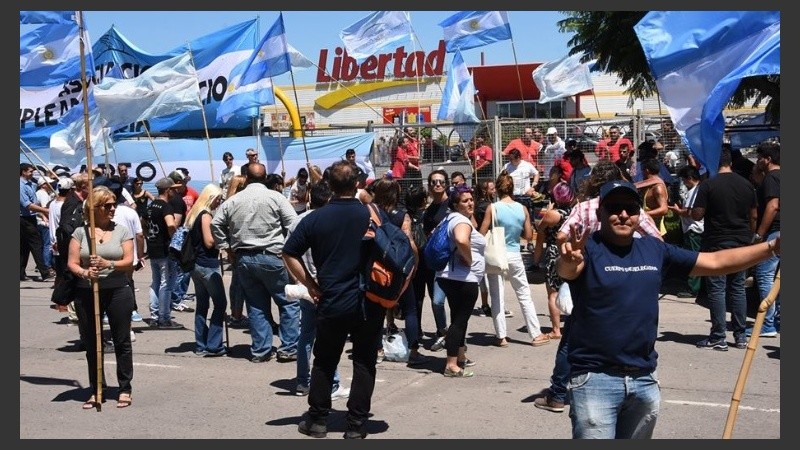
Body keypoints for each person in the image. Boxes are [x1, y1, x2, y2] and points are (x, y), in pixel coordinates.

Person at [557, 179, 779, 439]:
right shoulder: (587, 249)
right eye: (614, 208)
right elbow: (568, 270)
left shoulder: (654, 249)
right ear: (599, 213)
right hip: (595, 380)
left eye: (631, 207)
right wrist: (568, 260)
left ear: (640, 214)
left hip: (644, 379)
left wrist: (772, 248)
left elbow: (717, 261)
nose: (623, 214)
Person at [283, 161, 385, 439]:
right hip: (369, 300)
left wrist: (311, 285)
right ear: (356, 184)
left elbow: (288, 253)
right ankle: (356, 425)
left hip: (332, 299)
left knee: (325, 360)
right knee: (364, 362)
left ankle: (317, 420)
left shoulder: (315, 218)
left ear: (328, 185)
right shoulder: (372, 214)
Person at [211, 162, 299, 363]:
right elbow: (294, 224)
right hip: (272, 255)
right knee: (287, 303)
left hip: (244, 258)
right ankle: (288, 348)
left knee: (256, 305)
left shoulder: (234, 200)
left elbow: (216, 223)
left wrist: (227, 247)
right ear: (266, 177)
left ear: (246, 178)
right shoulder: (275, 197)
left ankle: (261, 350)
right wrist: (287, 249)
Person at [67, 186, 136, 410]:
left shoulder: (122, 231)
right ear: (94, 208)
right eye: (107, 205)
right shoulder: (81, 232)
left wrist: (109, 264)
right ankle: (97, 388)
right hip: (87, 290)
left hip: (117, 288)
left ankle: (125, 388)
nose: (113, 208)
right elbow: (72, 262)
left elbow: (130, 260)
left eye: (114, 204)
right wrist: (85, 272)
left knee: (121, 340)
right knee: (92, 343)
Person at [287, 181, 351, 400]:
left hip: (306, 285)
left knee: (306, 335)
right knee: (327, 338)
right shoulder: (326, 221)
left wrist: (302, 281)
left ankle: (303, 381)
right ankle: (331, 384)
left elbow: (288, 253)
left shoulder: (298, 221)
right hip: (323, 285)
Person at [691, 147, 757, 351]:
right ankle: (740, 336)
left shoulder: (708, 185)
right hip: (741, 242)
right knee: (738, 288)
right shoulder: (746, 184)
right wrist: (750, 237)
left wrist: (690, 210)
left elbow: (697, 215)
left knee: (717, 289)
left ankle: (718, 335)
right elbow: (753, 214)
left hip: (716, 243)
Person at [479, 171, 548, 347]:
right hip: (514, 253)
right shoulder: (522, 208)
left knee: (497, 295)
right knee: (524, 294)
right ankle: (535, 333)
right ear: (512, 189)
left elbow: (482, 233)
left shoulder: (493, 208)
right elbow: (527, 234)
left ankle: (501, 336)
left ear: (498, 189)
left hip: (496, 254)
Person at [370, 178, 429, 365]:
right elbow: (410, 242)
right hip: (400, 268)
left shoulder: (373, 213)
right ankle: (413, 351)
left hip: (378, 268)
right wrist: (415, 264)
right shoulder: (402, 215)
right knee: (410, 308)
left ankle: (377, 350)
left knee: (377, 311)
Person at [437, 184, 485, 377]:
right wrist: (471, 259)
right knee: (459, 321)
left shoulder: (450, 218)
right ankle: (451, 364)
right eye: (465, 201)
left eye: (471, 199)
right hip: (462, 278)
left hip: (451, 276)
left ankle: (460, 356)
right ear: (456, 204)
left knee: (458, 318)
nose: (470, 203)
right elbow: (462, 240)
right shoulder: (460, 221)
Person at [184, 184, 228, 357]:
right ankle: (214, 345)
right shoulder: (205, 215)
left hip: (196, 264)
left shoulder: (194, 214)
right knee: (220, 303)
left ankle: (201, 343)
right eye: (218, 199)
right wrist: (222, 241)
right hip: (207, 264)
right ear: (211, 198)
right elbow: (209, 242)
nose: (219, 202)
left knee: (202, 305)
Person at [533, 180, 575, 340]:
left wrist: (547, 210)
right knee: (573, 288)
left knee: (553, 292)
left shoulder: (554, 214)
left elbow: (540, 226)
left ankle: (556, 329)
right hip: (571, 250)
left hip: (554, 251)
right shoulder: (574, 212)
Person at [748, 141, 780, 338]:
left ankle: (767, 323)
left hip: (774, 232)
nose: (757, 161)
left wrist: (760, 234)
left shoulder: (772, 178)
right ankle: (776, 320)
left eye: (759, 158)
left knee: (764, 275)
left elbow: (772, 206)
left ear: (767, 160)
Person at [145, 177, 184, 330]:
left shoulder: (151, 205)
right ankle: (164, 318)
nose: (175, 191)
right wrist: (174, 238)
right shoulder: (165, 207)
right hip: (164, 249)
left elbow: (144, 223)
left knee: (156, 282)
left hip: (153, 248)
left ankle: (155, 316)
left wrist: (151, 236)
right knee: (166, 284)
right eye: (173, 189)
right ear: (167, 190)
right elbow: (171, 224)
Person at [668, 165, 704, 298]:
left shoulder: (694, 191)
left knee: (693, 259)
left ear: (690, 178)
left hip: (693, 229)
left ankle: (693, 288)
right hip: (693, 229)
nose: (684, 183)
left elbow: (689, 212)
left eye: (684, 180)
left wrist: (678, 211)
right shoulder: (697, 190)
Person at [20, 163, 52, 282]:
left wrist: (42, 214)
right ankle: (44, 271)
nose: (32, 173)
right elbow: (27, 205)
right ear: (23, 172)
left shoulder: (31, 185)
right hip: (24, 218)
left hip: (31, 217)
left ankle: (20, 273)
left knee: (24, 246)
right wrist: (46, 210)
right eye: (30, 171)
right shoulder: (20, 185)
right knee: (37, 243)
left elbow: (35, 203)